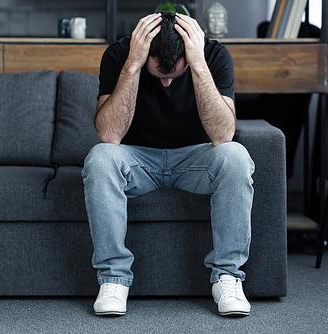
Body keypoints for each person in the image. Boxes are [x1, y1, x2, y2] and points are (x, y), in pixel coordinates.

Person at [81, 11, 254, 317]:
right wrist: (133, 65)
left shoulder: (213, 55)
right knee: (100, 157)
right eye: (158, 74)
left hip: (195, 159)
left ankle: (227, 277)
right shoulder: (121, 54)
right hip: (138, 160)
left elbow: (223, 134)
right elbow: (109, 134)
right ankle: (113, 279)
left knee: (237, 155)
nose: (166, 83)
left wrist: (198, 65)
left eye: (174, 74)